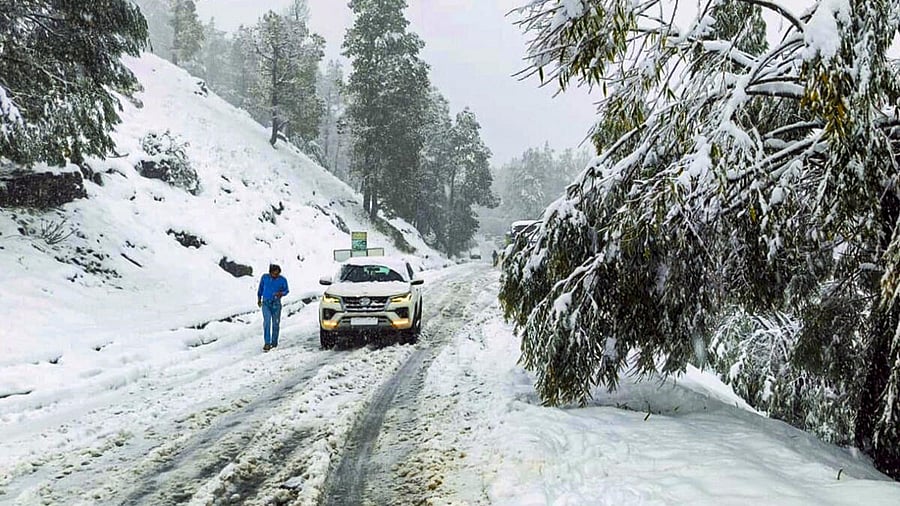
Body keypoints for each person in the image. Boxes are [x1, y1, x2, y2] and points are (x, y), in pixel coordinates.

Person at [257, 264, 289, 352]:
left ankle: (274, 342)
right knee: (267, 322)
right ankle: (267, 343)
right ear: (270, 273)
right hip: (266, 303)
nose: (276, 275)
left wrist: (281, 293)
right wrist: (259, 299)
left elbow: (286, 290)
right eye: (274, 274)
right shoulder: (265, 278)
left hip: (276, 304)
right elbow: (260, 289)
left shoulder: (282, 280)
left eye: (277, 274)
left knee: (276, 323)